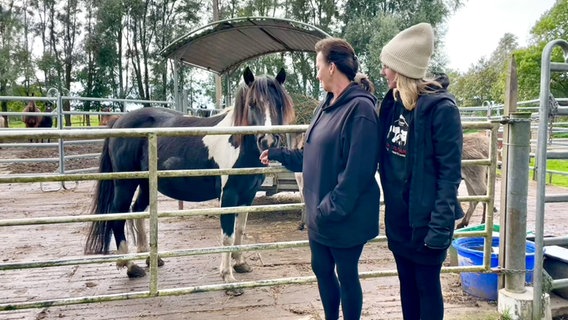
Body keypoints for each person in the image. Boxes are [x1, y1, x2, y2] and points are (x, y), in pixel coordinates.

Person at [259, 38, 381, 320]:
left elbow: (358, 173)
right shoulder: (324, 106)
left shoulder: (360, 110)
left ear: (332, 68)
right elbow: (308, 156)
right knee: (322, 272)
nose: (316, 73)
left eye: (318, 66)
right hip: (320, 214)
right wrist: (277, 153)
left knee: (347, 276)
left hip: (343, 216)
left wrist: (328, 209)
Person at [377, 22, 464, 320]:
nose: (383, 72)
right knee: (407, 287)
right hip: (400, 222)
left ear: (402, 68)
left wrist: (440, 228)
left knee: (427, 288)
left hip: (428, 223)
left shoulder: (442, 110)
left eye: (387, 66)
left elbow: (449, 174)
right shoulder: (391, 104)